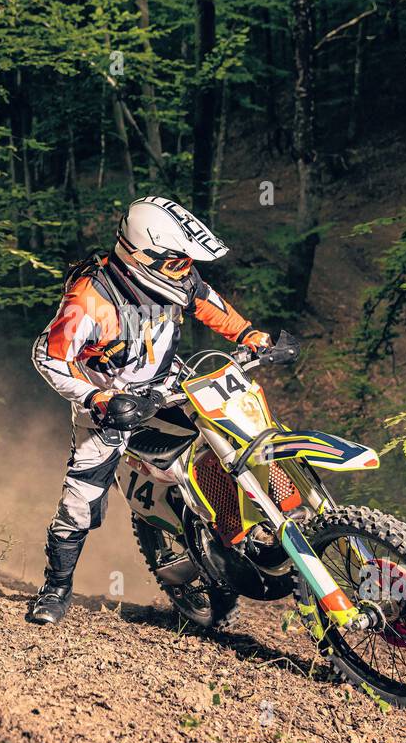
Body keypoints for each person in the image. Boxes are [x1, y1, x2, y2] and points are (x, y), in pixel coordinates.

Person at [28, 196, 272, 624]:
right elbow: (48, 356)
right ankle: (56, 588)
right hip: (111, 403)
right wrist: (96, 398)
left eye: (186, 262)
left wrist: (252, 335)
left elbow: (211, 306)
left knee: (232, 437)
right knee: (81, 499)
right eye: (176, 262)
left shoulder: (177, 279)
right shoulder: (90, 299)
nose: (185, 270)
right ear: (142, 255)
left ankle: (244, 533)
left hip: (167, 383)